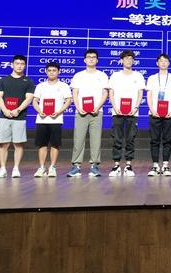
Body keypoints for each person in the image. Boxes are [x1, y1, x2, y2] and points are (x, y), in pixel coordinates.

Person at [68, 49, 109, 178]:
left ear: (97, 60)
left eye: (93, 57)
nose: (91, 58)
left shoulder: (102, 75)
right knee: (78, 139)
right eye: (89, 57)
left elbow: (105, 93)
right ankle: (76, 166)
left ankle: (94, 166)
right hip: (80, 112)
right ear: (85, 60)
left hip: (97, 112)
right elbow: (75, 93)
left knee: (96, 140)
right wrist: (78, 107)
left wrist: (98, 106)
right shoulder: (78, 75)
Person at [0, 55, 35, 178]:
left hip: (19, 117)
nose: (19, 66)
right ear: (12, 65)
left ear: (25, 65)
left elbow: (29, 98)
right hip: (4, 116)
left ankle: (16, 168)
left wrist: (18, 110)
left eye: (22, 64)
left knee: (18, 144)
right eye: (17, 63)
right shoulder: (3, 80)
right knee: (3, 144)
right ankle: (2, 169)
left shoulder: (28, 81)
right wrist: (5, 110)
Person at [108, 50, 146, 177]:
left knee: (130, 139)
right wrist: (115, 107)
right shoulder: (115, 76)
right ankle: (116, 166)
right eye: (126, 58)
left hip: (132, 112)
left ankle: (129, 165)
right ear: (121, 60)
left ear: (133, 61)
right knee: (117, 139)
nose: (129, 61)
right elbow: (111, 93)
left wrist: (135, 107)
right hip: (117, 112)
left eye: (131, 58)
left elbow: (140, 94)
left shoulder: (138, 76)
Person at [32, 62, 72, 178]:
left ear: (59, 72)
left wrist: (59, 111)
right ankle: (41, 167)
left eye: (54, 70)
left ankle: (52, 167)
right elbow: (34, 101)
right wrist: (39, 111)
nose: (52, 73)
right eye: (49, 70)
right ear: (46, 72)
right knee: (42, 144)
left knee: (55, 144)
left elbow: (68, 100)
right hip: (42, 119)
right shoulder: (40, 86)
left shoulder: (63, 86)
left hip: (56, 119)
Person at [146, 53, 171, 177]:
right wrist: (152, 109)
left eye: (166, 61)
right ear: (157, 63)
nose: (163, 63)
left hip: (169, 114)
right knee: (154, 140)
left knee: (167, 140)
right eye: (161, 61)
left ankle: (165, 165)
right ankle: (155, 165)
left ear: (169, 63)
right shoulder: (152, 78)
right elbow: (149, 95)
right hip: (154, 113)